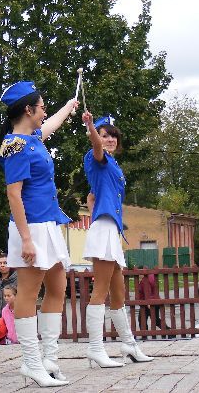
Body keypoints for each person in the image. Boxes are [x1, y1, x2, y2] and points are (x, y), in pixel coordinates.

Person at [0, 81, 77, 387]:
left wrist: (69, 107)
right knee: (29, 294)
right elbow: (14, 194)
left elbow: (52, 124)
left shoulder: (32, 139)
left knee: (58, 287)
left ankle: (50, 359)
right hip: (30, 227)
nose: (45, 111)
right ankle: (31, 363)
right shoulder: (16, 146)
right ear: (28, 110)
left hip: (48, 224)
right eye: (42, 107)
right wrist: (26, 239)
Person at [81, 113, 154, 367]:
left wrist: (93, 202)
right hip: (103, 228)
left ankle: (129, 345)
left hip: (111, 229)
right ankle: (95, 348)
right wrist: (90, 126)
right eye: (105, 135)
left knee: (119, 292)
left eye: (113, 135)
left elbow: (94, 195)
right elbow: (95, 146)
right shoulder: (96, 157)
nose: (110, 139)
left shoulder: (111, 163)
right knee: (100, 290)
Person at [137, 271, 172, 338]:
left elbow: (147, 291)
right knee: (155, 320)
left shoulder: (145, 280)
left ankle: (144, 335)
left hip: (147, 303)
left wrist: (148, 302)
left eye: (139, 274)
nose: (138, 276)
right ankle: (169, 331)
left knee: (142, 319)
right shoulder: (152, 276)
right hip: (155, 300)